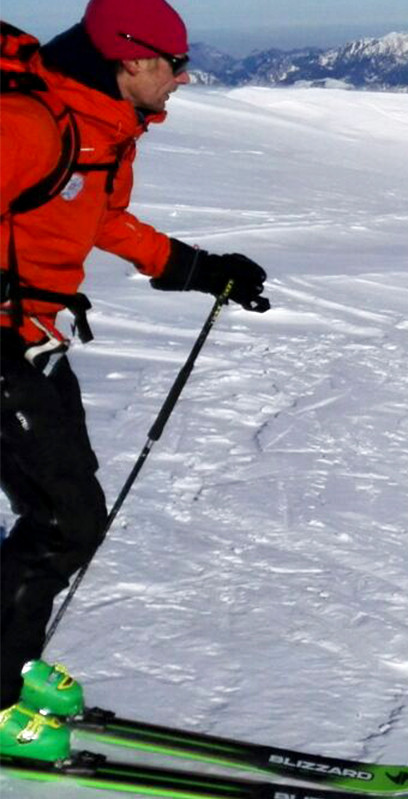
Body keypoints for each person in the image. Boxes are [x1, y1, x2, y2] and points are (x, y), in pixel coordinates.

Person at [1, 0, 270, 748]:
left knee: (62, 506)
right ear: (131, 60)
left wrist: (198, 268)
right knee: (63, 517)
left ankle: (7, 655)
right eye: (174, 63)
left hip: (35, 339)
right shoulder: (29, 124)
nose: (184, 77)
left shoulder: (103, 128)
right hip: (2, 342)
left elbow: (101, 219)